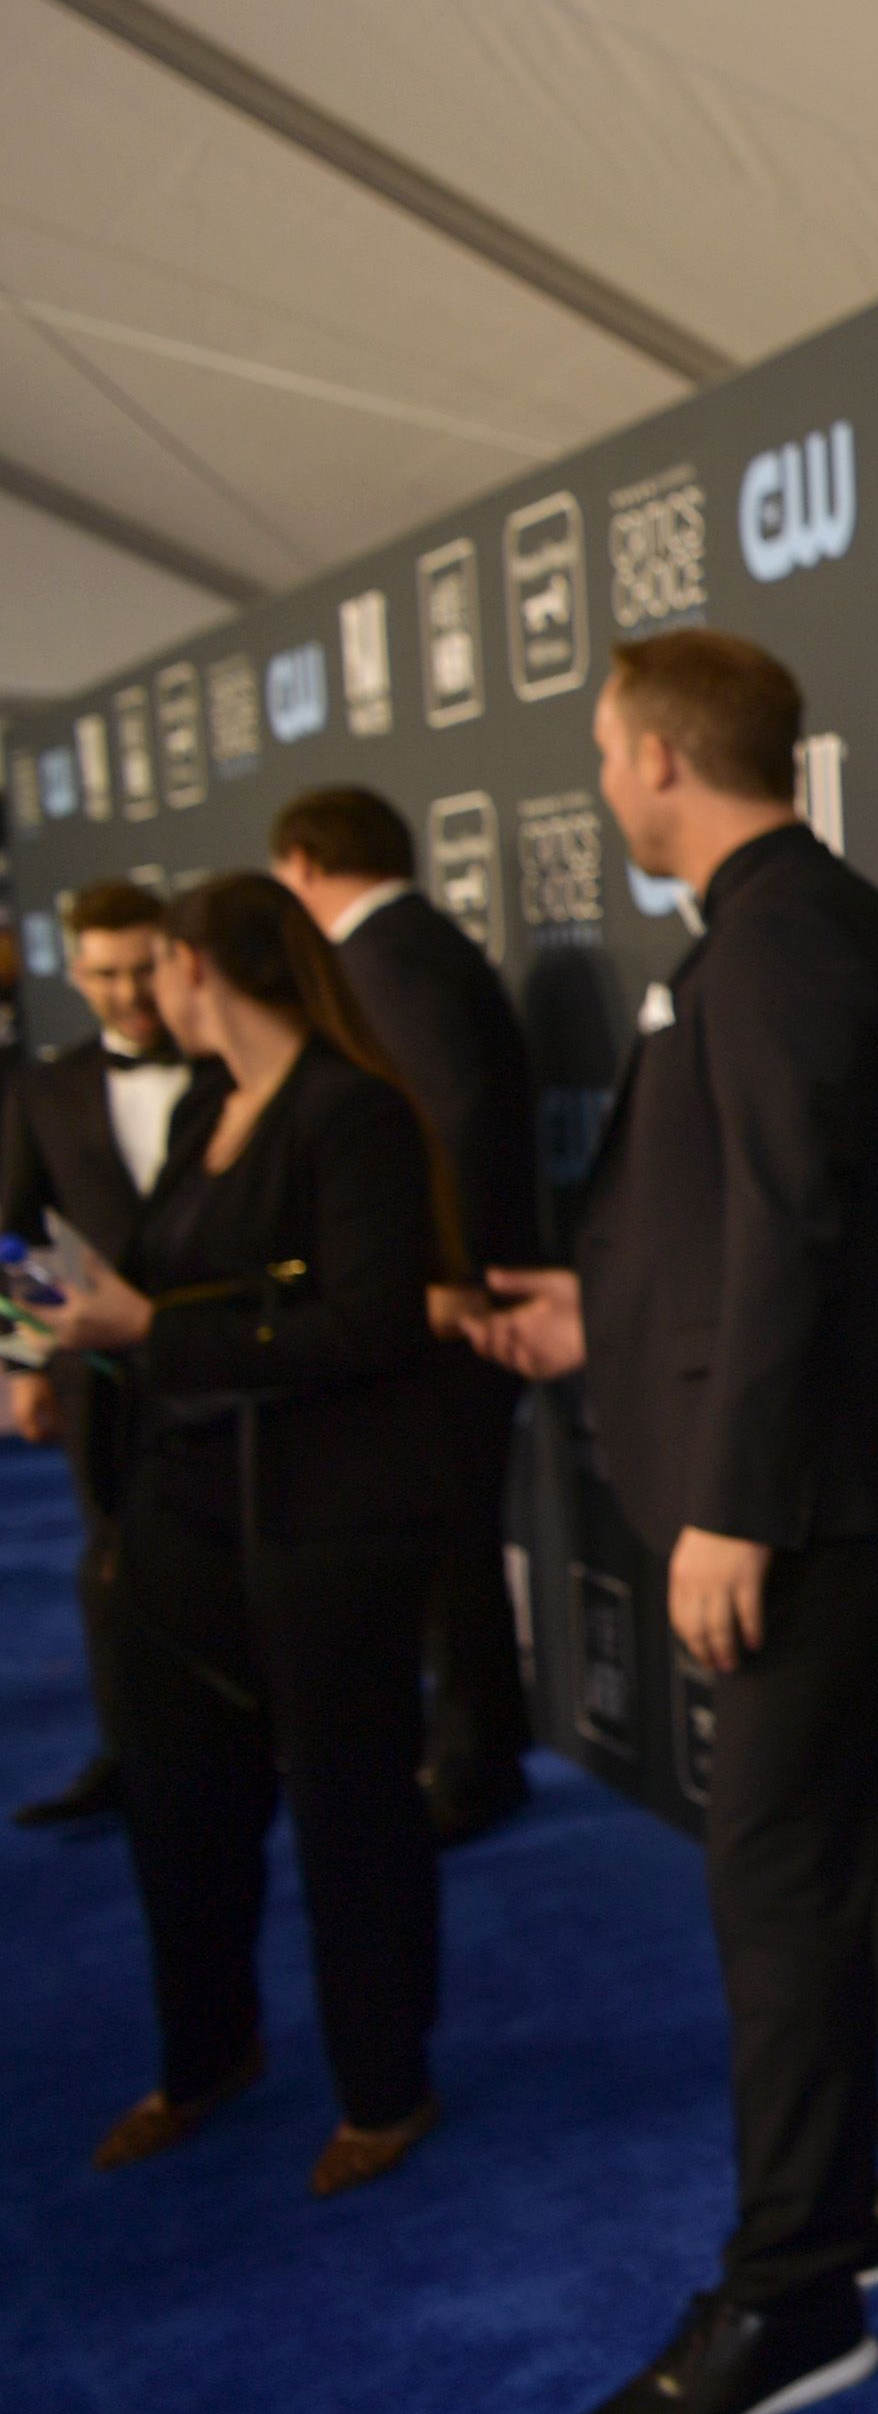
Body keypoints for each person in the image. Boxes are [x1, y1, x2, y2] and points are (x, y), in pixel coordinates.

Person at [471, 630, 878, 2414]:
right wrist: (593, 1305)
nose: (606, 783)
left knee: (780, 1880)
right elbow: (756, 1227)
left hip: (813, 1500)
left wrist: (735, 1501)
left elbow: (793, 1224)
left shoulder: (780, 929)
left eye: (603, 755)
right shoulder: (789, 920)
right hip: (848, 1478)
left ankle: (791, 2292)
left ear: (650, 755)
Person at [39, 873, 463, 2196]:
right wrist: (60, 1324)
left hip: (324, 1524)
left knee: (350, 1816)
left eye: (152, 967)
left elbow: (372, 1324)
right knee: (179, 1809)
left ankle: (384, 2088)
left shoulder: (353, 1113)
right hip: (174, 1516)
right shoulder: (212, 1109)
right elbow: (151, 1279)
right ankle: (204, 2055)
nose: (139, 994)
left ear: (197, 972)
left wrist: (151, 1329)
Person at [269, 785, 546, 1848]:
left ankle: (476, 1764)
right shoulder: (406, 943)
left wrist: (451, 1273)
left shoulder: (389, 953)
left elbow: (455, 1116)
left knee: (453, 1535)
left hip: (452, 1304)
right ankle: (481, 1746)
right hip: (454, 1291)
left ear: (301, 861)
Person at [4, 879, 204, 1832]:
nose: (128, 994)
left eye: (142, 970)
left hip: (222, 1357)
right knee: (113, 1567)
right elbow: (17, 1235)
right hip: (100, 1379)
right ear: (75, 974)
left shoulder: (230, 1070)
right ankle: (133, 1754)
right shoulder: (47, 1088)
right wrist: (25, 1364)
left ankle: (271, 1744)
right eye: (105, 975)